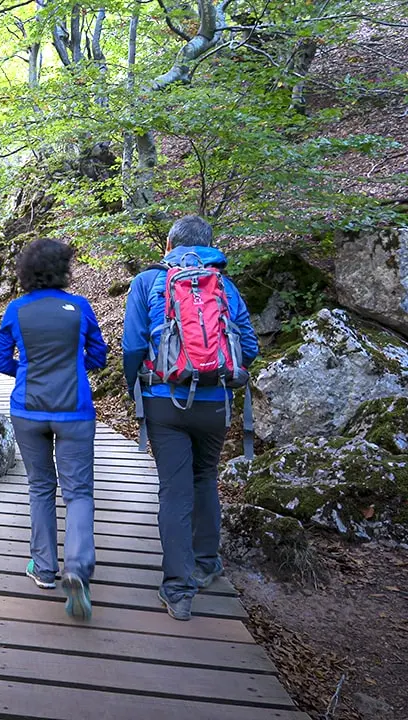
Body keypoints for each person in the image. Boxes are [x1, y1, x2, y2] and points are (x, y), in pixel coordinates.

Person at [122, 215, 258, 621]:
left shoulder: (148, 283)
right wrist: (220, 373)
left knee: (174, 489)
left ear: (168, 246)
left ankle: (178, 591)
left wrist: (138, 390)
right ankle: (207, 563)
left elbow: (132, 346)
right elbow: (247, 345)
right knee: (205, 479)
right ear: (210, 245)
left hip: (165, 400)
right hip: (215, 402)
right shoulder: (226, 287)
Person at [0, 238, 107, 620]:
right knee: (78, 492)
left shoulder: (15, 309)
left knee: (40, 486)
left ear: (26, 271)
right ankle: (76, 569)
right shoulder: (79, 307)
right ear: (62, 269)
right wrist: (76, 368)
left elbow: (0, 362)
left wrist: (25, 371)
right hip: (74, 410)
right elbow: (98, 355)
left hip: (27, 410)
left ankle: (43, 569)